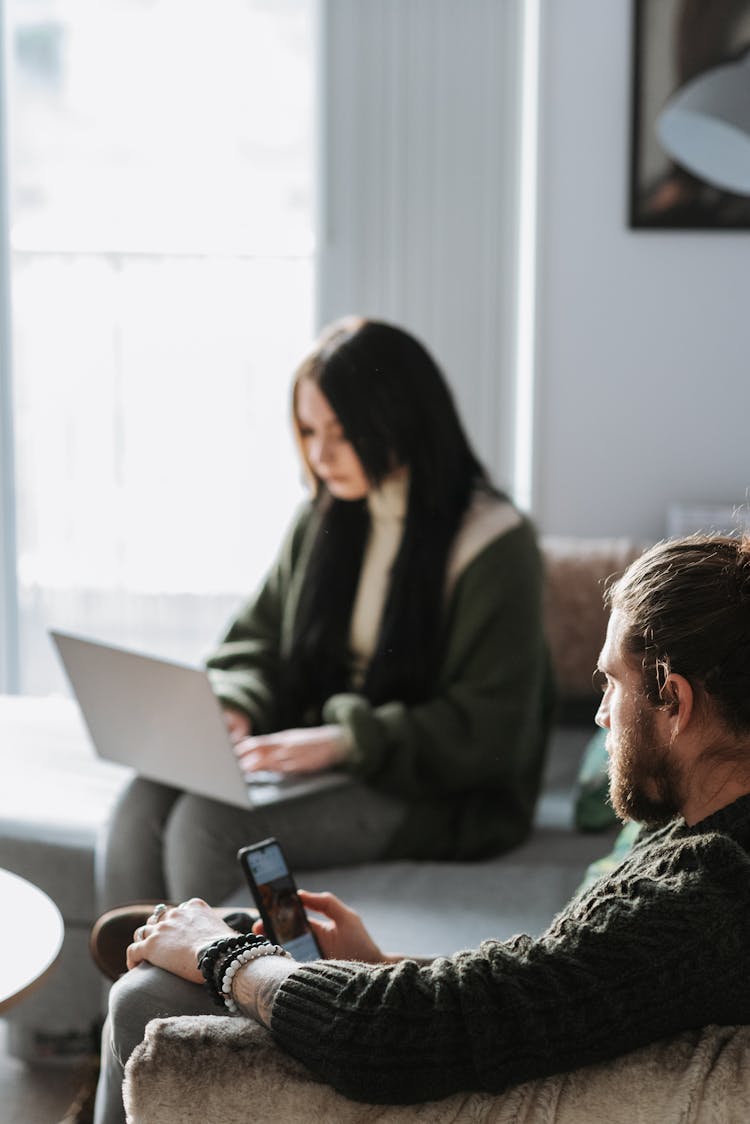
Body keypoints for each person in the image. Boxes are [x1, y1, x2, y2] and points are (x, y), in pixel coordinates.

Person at [92, 533, 750, 1122]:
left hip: (418, 1072)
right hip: (475, 1036)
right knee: (223, 939)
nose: (603, 715)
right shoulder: (697, 837)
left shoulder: (709, 894)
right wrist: (378, 965)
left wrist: (224, 957)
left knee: (147, 997)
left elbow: (395, 1036)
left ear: (676, 702)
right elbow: (557, 990)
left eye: (612, 684)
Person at [96, 316, 555, 912]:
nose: (320, 454)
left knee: (208, 827)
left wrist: (345, 742)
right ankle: (129, 1002)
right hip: (327, 748)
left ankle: (235, 999)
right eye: (309, 430)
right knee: (139, 806)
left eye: (343, 432)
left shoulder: (495, 543)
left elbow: (490, 731)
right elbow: (256, 640)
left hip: (438, 789)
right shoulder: (323, 517)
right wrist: (237, 705)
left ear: (404, 419)